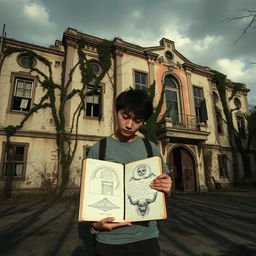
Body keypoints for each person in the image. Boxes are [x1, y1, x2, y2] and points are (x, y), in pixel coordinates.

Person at [87, 88, 172, 256]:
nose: (129, 125)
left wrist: (167, 188)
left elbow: (165, 193)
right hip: (110, 239)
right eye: (125, 117)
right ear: (116, 111)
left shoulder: (151, 149)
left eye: (137, 120)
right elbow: (89, 198)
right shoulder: (99, 150)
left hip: (146, 238)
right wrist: (96, 226)